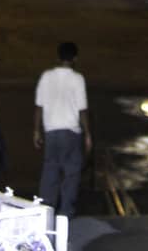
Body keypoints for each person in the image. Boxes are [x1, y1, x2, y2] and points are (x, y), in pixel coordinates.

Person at [34, 41, 92, 220]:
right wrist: (88, 133)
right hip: (71, 132)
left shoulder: (46, 76)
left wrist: (36, 131)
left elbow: (39, 106)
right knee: (71, 173)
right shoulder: (78, 78)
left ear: (57, 57)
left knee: (50, 171)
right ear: (75, 58)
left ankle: (46, 212)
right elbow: (82, 109)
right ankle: (65, 213)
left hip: (50, 131)